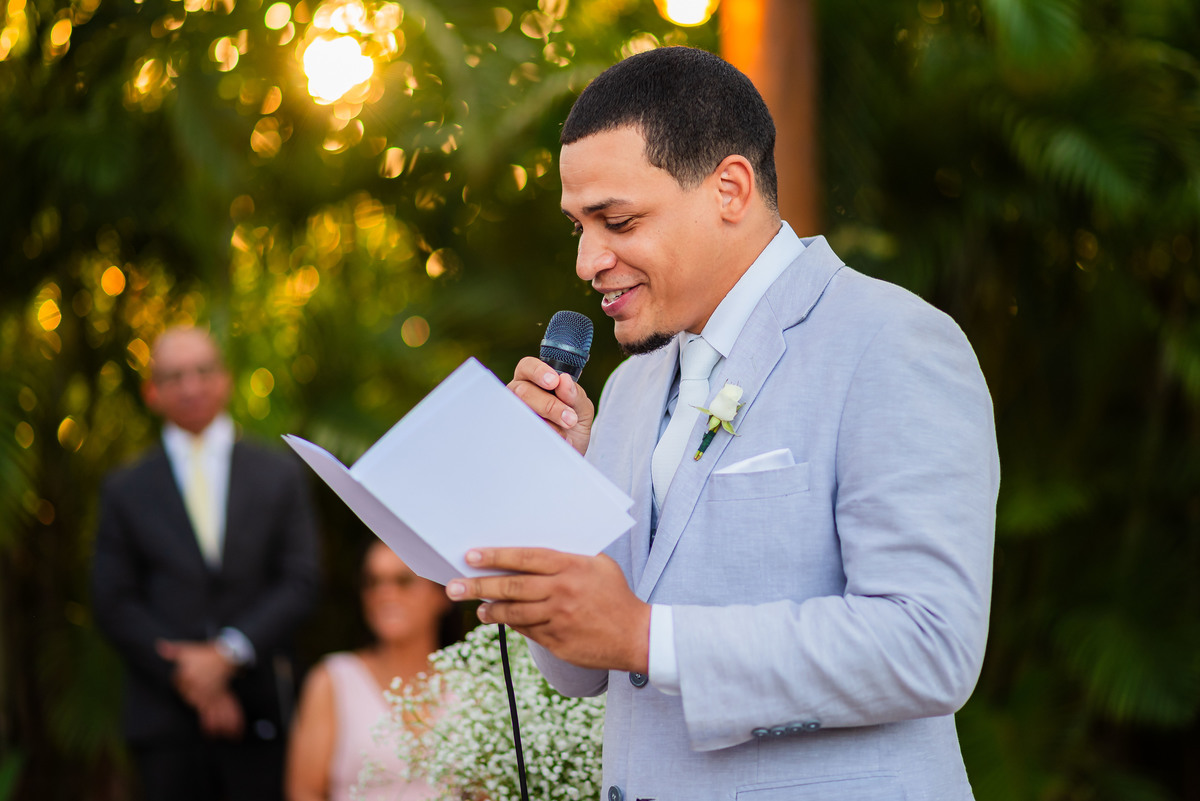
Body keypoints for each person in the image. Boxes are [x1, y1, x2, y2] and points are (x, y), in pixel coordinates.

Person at [445, 46, 1000, 800]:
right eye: (579, 225)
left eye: (617, 220)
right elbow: (579, 671)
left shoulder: (889, 341)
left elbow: (929, 644)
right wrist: (558, 494)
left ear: (730, 189)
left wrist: (649, 634)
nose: (586, 259)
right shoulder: (634, 385)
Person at [93, 326, 321, 801]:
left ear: (225, 379)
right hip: (164, 724)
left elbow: (301, 579)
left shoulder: (278, 473)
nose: (191, 386)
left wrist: (229, 653)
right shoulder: (124, 488)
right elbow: (113, 601)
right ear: (151, 392)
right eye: (174, 376)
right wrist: (189, 675)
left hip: (261, 715)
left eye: (202, 371)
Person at [286, 540, 450, 801]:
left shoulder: (471, 687)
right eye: (373, 582)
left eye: (403, 580)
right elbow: (304, 792)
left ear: (440, 594)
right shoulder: (333, 679)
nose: (384, 593)